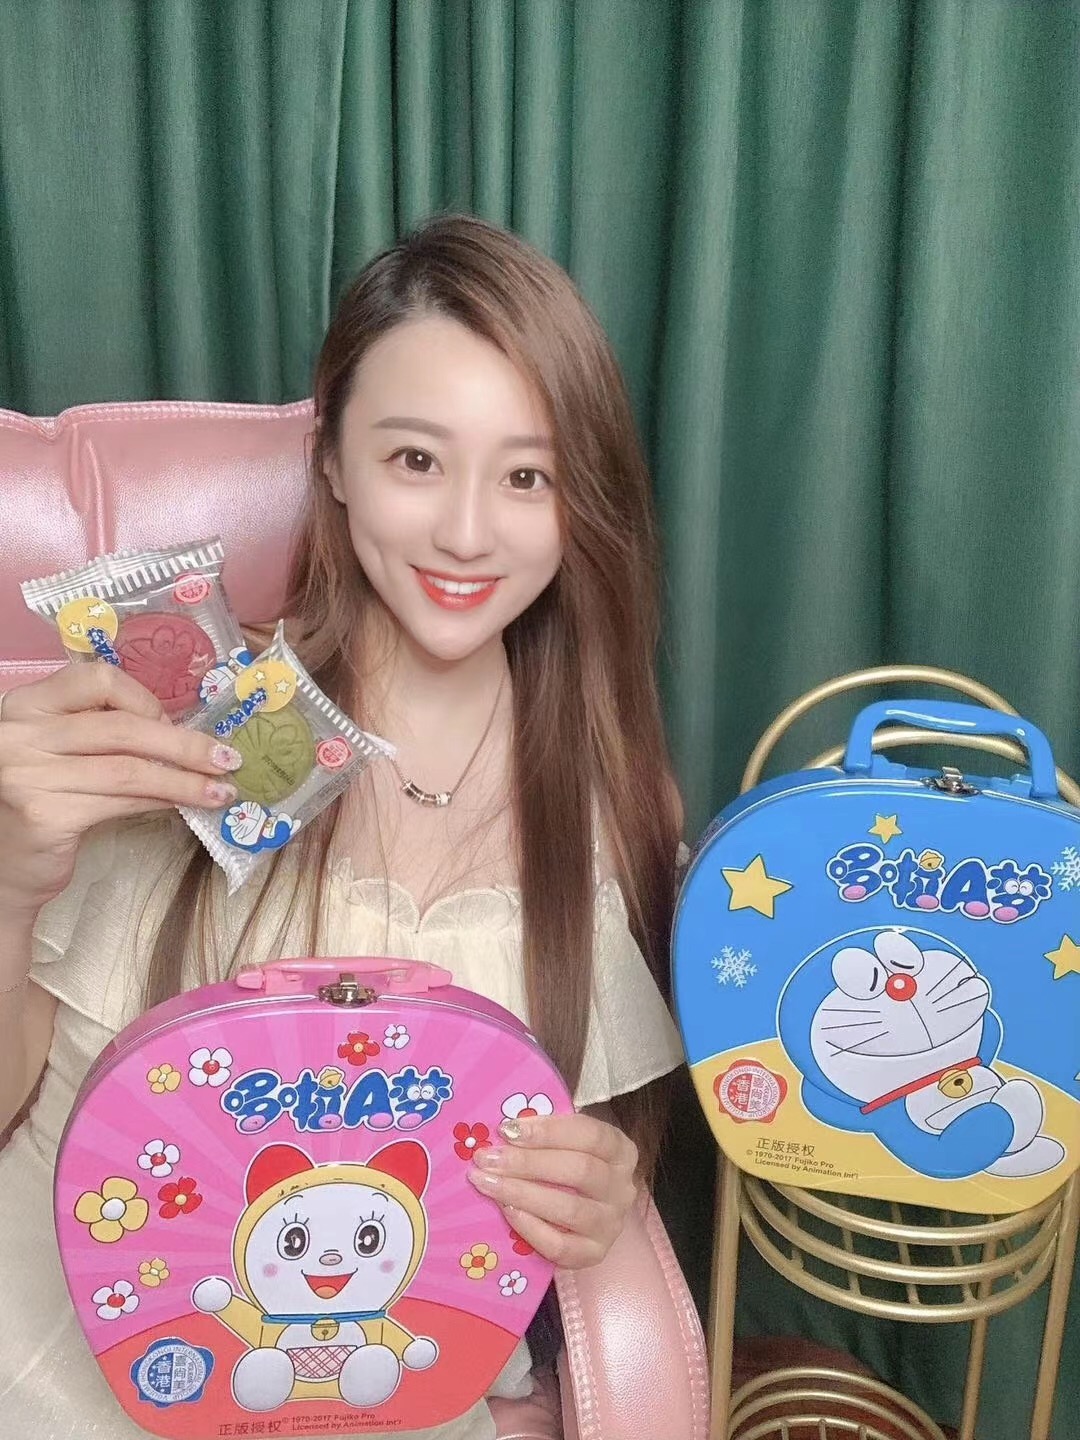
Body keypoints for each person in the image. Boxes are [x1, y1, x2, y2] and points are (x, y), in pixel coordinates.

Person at [0, 215, 685, 1440]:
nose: (467, 533)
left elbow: (531, 1174)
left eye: (526, 477)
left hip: (362, 1372)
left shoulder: (602, 798)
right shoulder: (183, 721)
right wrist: (7, 885)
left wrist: (597, 1192)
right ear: (331, 462)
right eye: (416, 459)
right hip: (56, 1354)